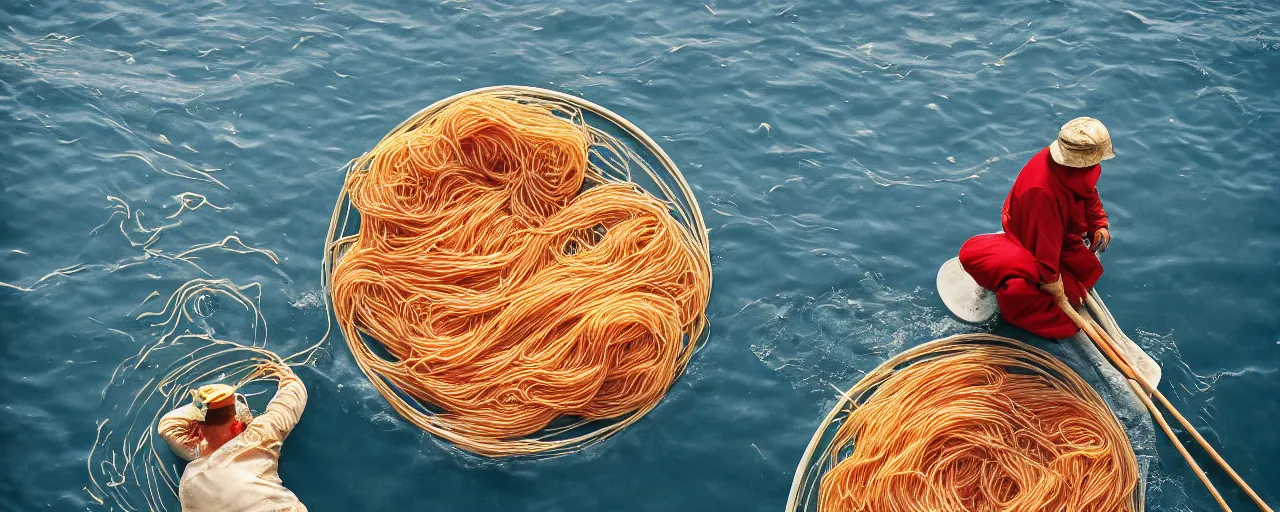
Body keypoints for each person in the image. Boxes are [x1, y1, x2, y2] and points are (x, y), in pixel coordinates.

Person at [959, 117, 1115, 338]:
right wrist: (1056, 289)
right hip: (1032, 235)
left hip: (1055, 231)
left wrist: (1099, 223)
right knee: (1054, 295)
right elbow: (1044, 244)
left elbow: (1088, 192)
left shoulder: (1077, 165)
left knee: (1081, 275)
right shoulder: (1043, 192)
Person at [157, 361, 308, 512]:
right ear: (236, 425)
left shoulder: (189, 479)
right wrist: (284, 374)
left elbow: (167, 424)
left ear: (198, 428)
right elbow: (293, 394)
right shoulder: (258, 437)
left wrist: (201, 408)